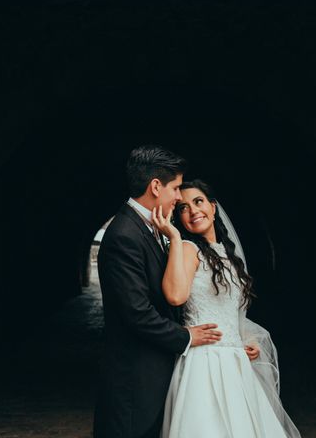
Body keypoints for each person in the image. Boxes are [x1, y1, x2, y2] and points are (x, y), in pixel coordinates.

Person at [152, 179, 302, 438]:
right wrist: (175, 238)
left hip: (237, 363)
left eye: (198, 202)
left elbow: (232, 312)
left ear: (212, 207)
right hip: (204, 363)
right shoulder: (187, 249)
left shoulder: (227, 254)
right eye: (183, 208)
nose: (192, 211)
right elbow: (176, 296)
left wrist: (246, 338)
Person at [93, 146, 225, 438]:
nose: (179, 197)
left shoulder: (150, 227)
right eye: (176, 188)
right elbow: (137, 313)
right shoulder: (124, 235)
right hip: (134, 383)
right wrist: (187, 336)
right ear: (155, 186)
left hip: (157, 376)